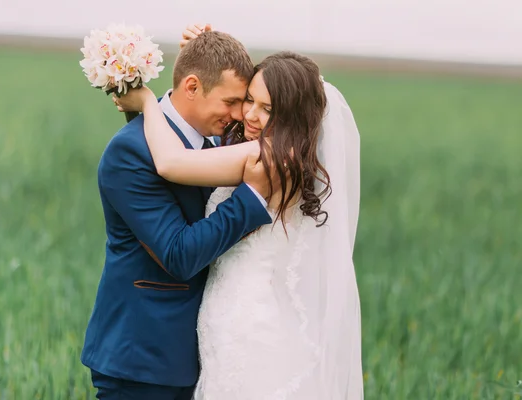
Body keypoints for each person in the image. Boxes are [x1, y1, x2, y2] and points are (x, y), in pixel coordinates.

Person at [112, 25, 364, 399]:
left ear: (293, 115)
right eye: (248, 99)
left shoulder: (265, 157)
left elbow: (170, 161)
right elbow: (204, 129)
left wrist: (149, 102)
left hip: (248, 324)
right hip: (238, 316)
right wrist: (206, 56)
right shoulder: (281, 153)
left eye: (267, 109)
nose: (248, 115)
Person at [80, 30, 276, 400]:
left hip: (207, 356)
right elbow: (178, 254)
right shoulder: (129, 153)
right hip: (143, 358)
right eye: (232, 101)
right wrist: (250, 197)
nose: (240, 115)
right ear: (191, 87)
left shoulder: (216, 141)